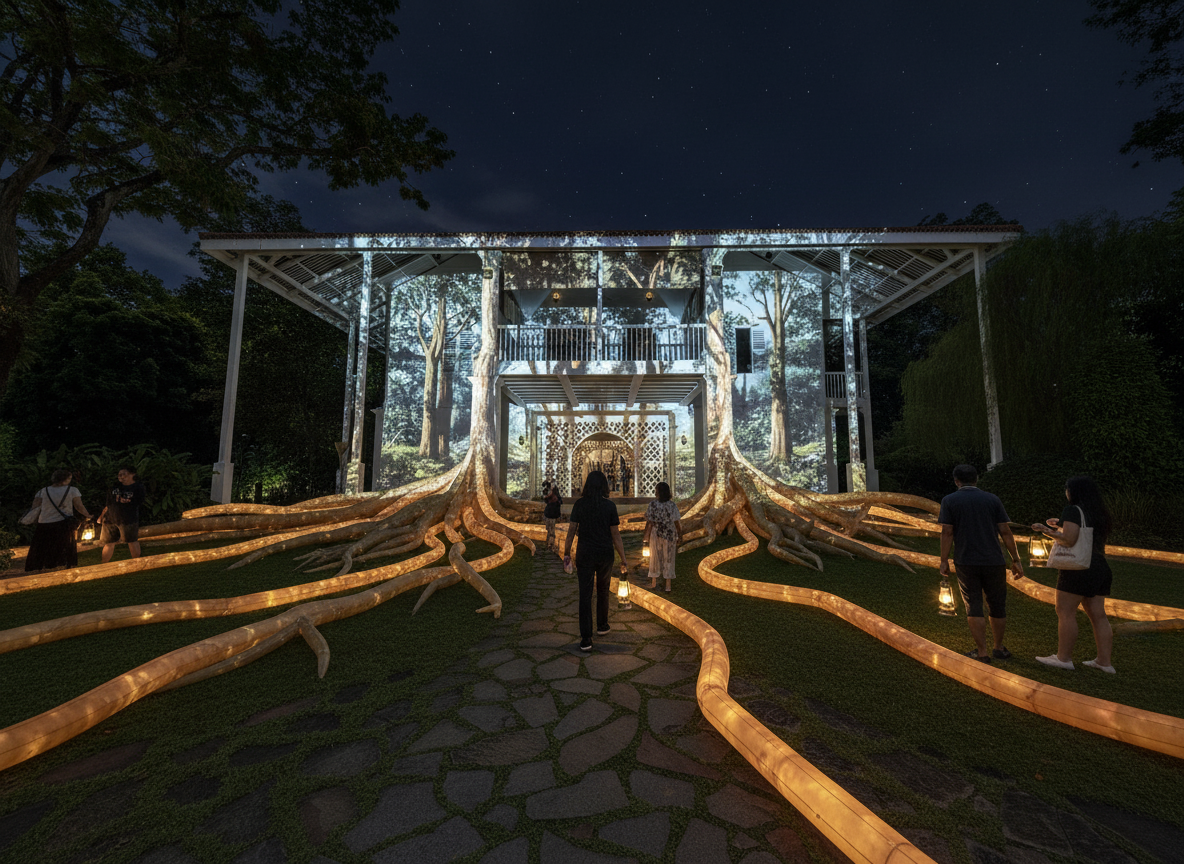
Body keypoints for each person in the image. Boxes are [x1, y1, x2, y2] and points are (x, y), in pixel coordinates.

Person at [938, 464, 1024, 662]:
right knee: (997, 604)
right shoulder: (992, 499)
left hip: (966, 560)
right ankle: (999, 648)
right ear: (976, 479)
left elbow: (947, 532)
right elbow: (1005, 531)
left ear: (956, 481)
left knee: (973, 604)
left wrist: (944, 560)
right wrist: (1016, 559)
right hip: (994, 560)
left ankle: (982, 652)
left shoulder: (949, 500)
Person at [1030, 475, 1115, 673]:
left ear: (1073, 491)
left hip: (1078, 568)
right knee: (1099, 616)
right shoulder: (1099, 512)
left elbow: (1069, 540)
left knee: (1065, 611)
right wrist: (1060, 524)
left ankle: (1064, 658)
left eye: (1067, 489)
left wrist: (1046, 530)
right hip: (1100, 567)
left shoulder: (1072, 510)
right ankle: (1104, 662)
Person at [563, 469, 628, 652]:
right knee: (603, 590)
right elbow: (615, 534)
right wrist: (623, 558)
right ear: (604, 486)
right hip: (605, 553)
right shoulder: (609, 506)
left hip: (585, 553)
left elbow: (571, 531)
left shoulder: (580, 504)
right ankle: (602, 625)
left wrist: (567, 553)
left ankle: (586, 638)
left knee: (585, 594)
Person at [25, 469, 92, 571]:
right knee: (63, 545)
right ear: (65, 479)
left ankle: (42, 565)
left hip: (44, 522)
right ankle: (62, 564)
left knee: (44, 546)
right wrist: (87, 515)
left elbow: (35, 507)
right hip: (63, 523)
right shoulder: (72, 490)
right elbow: (79, 506)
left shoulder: (43, 491)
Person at [98, 466, 146, 563]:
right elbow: (108, 504)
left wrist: (126, 501)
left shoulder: (138, 487)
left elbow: (139, 502)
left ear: (132, 474)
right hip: (110, 519)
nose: (121, 476)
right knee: (108, 543)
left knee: (131, 541)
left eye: (124, 474)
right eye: (119, 474)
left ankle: (137, 563)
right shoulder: (114, 487)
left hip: (128, 519)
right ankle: (104, 564)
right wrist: (101, 516)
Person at [644, 481, 682, 592]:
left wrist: (646, 536)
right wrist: (679, 535)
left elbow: (649, 522)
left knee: (655, 557)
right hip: (669, 534)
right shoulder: (672, 505)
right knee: (669, 558)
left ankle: (654, 582)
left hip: (656, 533)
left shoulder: (653, 505)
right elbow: (676, 522)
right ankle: (668, 585)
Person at [543, 481, 562, 550]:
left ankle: (550, 544)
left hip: (551, 514)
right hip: (550, 514)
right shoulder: (553, 496)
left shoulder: (554, 496)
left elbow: (548, 498)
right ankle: (549, 544)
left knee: (551, 531)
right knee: (550, 530)